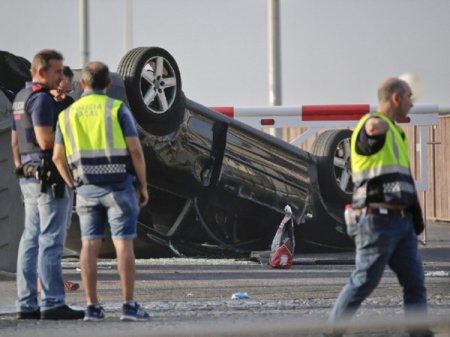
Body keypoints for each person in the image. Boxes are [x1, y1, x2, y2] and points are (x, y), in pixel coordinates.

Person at [326, 78, 433, 337]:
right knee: (364, 281)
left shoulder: (396, 133)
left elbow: (404, 179)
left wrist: (416, 219)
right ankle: (329, 333)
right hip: (376, 222)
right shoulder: (372, 125)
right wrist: (376, 125)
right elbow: (369, 133)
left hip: (402, 223)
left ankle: (419, 333)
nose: (412, 102)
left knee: (415, 283)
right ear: (396, 98)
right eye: (409, 96)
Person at [53, 61, 150, 322]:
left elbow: (57, 157)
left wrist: (73, 184)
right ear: (108, 84)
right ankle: (129, 306)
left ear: (81, 84)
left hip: (86, 188)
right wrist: (143, 185)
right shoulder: (117, 109)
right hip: (119, 186)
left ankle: (92, 307)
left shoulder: (66, 115)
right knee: (123, 243)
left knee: (89, 245)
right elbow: (136, 151)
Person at [11, 49, 84, 320]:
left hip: (29, 177)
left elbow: (15, 140)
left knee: (29, 241)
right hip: (49, 178)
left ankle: (26, 303)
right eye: (57, 71)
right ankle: (53, 302)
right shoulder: (41, 99)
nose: (61, 76)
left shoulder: (20, 97)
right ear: (41, 72)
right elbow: (45, 141)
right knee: (51, 241)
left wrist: (20, 168)